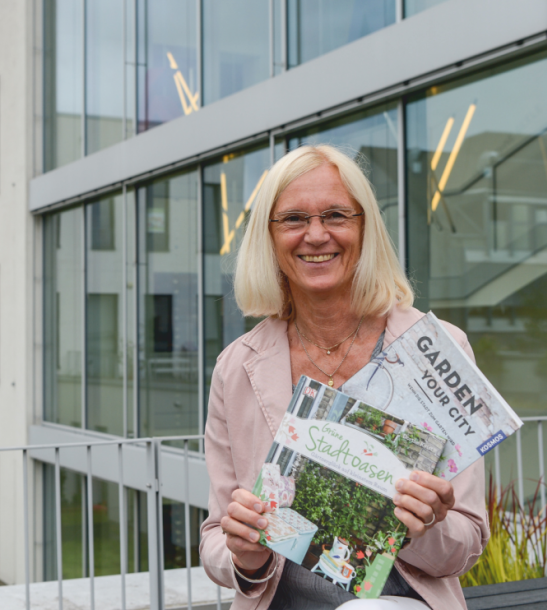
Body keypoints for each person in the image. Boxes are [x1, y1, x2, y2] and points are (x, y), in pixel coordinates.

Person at [199, 145, 489, 610]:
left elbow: (468, 541)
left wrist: (424, 526)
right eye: (293, 219)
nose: (316, 235)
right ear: (269, 238)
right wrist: (244, 554)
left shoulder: (437, 350)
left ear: (364, 228)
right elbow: (215, 536)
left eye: (336, 214)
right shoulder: (236, 367)